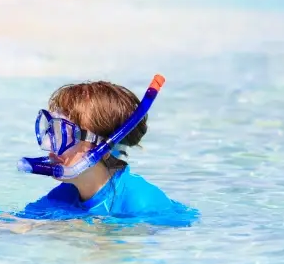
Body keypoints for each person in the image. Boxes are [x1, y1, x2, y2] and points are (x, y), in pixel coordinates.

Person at [16, 77, 198, 225]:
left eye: (63, 133)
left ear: (104, 148)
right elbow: (15, 224)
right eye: (50, 130)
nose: (49, 143)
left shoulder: (142, 203)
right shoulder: (64, 197)